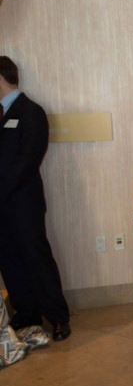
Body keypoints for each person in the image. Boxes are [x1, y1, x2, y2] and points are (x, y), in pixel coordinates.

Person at [0, 56, 71, 342]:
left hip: (23, 204)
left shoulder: (31, 112)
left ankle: (57, 317)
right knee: (9, 262)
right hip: (2, 207)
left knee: (36, 258)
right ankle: (26, 315)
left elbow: (28, 161)